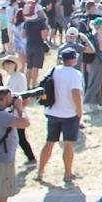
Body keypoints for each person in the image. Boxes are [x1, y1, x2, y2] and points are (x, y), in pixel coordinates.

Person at [36, 47, 84, 184]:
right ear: (73, 59)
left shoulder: (53, 70)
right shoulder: (75, 74)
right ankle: (68, 173)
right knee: (68, 144)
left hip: (52, 112)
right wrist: (79, 110)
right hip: (69, 114)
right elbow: (75, 92)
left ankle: (40, 171)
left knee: (49, 142)